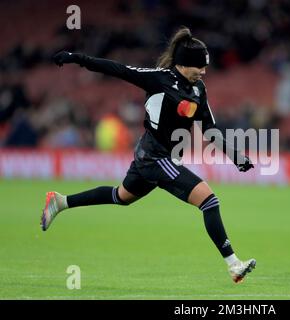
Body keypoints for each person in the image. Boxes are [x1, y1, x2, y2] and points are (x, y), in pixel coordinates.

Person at [42, 27, 256, 283]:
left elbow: (209, 129)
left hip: (162, 157)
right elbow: (118, 69)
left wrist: (234, 155)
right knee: (209, 200)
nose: (204, 72)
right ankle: (233, 265)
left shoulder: (198, 89)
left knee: (120, 196)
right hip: (154, 156)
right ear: (184, 64)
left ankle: (61, 202)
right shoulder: (158, 79)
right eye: (200, 67)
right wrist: (77, 58)